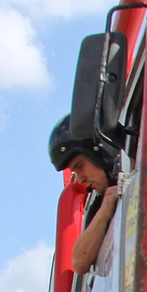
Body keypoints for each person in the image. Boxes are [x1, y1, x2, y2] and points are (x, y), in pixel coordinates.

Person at [48, 116, 120, 275]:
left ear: (101, 151)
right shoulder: (101, 205)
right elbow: (80, 263)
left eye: (80, 166)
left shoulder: (140, 177)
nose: (80, 178)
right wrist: (104, 212)